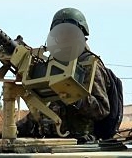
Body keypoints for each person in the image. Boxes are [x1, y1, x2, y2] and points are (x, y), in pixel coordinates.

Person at [16, 8, 111, 141]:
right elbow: (44, 109)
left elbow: (101, 109)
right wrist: (13, 130)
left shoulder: (89, 63)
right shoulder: (53, 64)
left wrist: (73, 94)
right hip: (50, 143)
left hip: (78, 144)